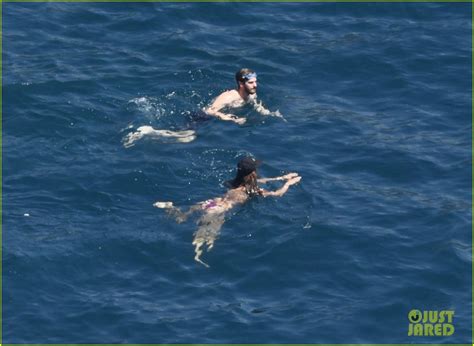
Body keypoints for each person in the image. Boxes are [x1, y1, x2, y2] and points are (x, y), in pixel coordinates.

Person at [154, 157, 301, 267]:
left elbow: (258, 180)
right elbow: (277, 194)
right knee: (205, 239)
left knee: (183, 216)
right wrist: (288, 183)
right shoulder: (253, 191)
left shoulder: (231, 183)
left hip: (211, 203)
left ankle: (171, 207)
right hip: (219, 212)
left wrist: (281, 177)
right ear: (253, 174)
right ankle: (197, 258)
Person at [203, 68, 284, 125]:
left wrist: (269, 113)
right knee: (191, 136)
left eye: (255, 82)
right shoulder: (229, 97)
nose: (255, 85)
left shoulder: (252, 94)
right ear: (241, 84)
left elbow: (255, 104)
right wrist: (232, 119)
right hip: (203, 119)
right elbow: (208, 111)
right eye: (251, 82)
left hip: (218, 117)